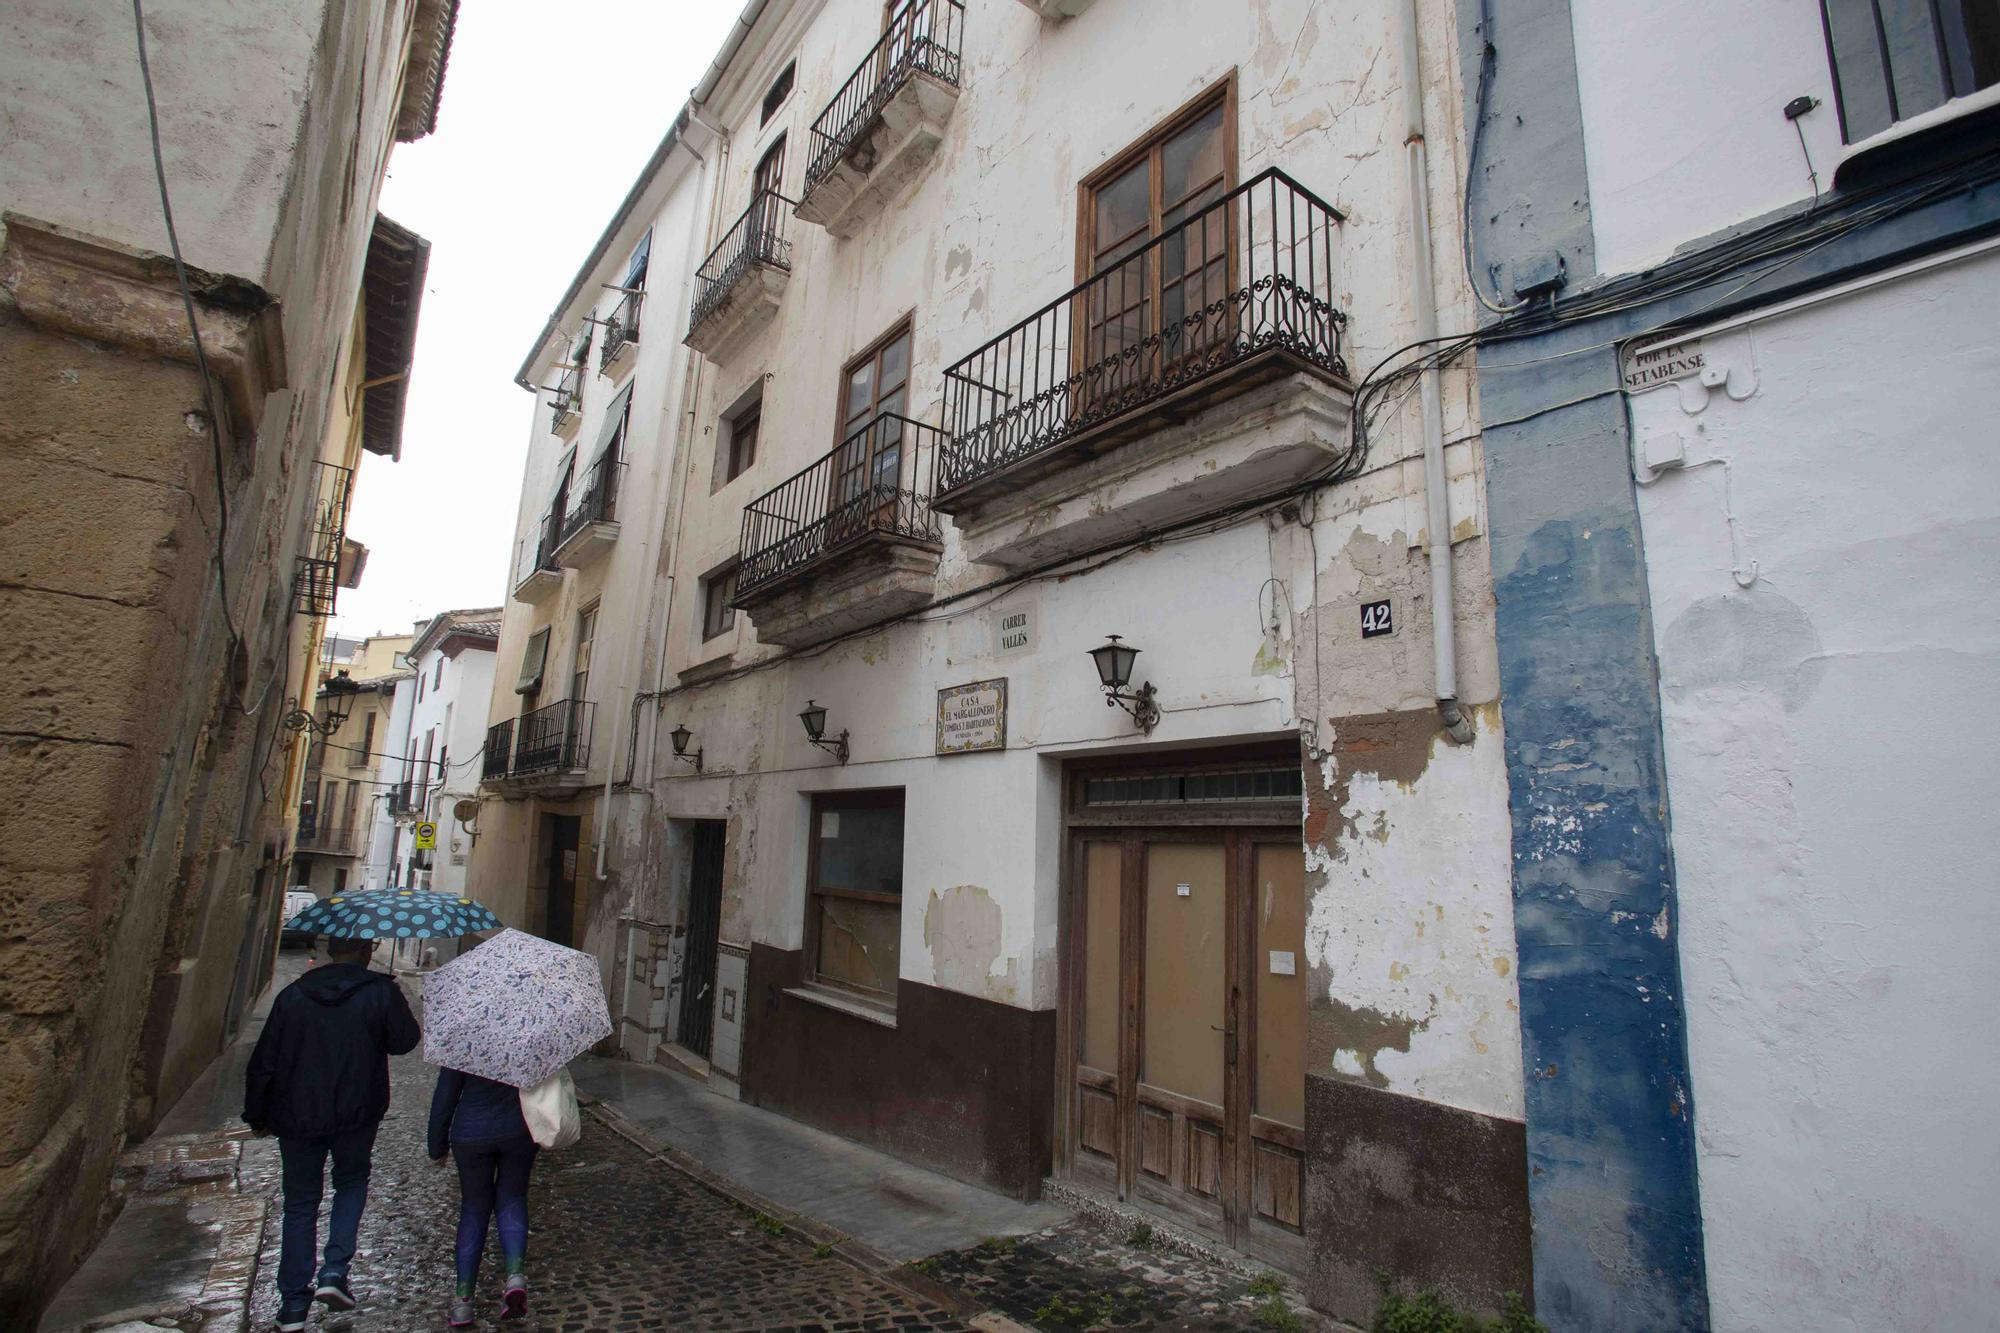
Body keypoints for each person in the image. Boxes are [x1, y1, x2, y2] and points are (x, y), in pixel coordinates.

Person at [243, 935, 421, 1332]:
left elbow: (265, 1059)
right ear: (366, 952)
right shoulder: (378, 992)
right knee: (352, 1183)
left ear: (329, 951)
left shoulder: (293, 995)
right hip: (357, 1112)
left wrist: (257, 1114)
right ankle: (334, 1272)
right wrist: (391, 1000)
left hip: (298, 1114)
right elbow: (405, 1042)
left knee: (300, 1202)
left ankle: (292, 1304)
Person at [429, 1063, 538, 1325]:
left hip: (471, 1132)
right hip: (518, 1129)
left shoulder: (465, 1035)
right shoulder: (525, 1028)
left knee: (474, 1208)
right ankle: (515, 1277)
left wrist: (436, 1144)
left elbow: (446, 1094)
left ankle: (463, 1302)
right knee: (513, 1197)